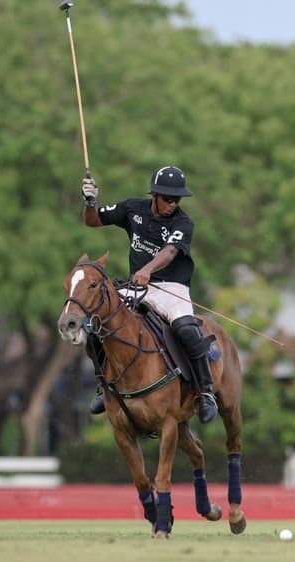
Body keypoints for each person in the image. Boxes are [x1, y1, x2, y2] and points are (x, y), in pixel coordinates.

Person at [81, 166, 217, 423]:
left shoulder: (183, 222)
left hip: (171, 288)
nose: (172, 204)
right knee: (95, 326)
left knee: (187, 330)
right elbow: (92, 220)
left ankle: (206, 392)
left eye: (177, 199)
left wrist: (147, 269)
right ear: (154, 195)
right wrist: (90, 202)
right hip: (136, 288)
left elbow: (170, 252)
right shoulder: (133, 209)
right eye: (168, 198)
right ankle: (103, 385)